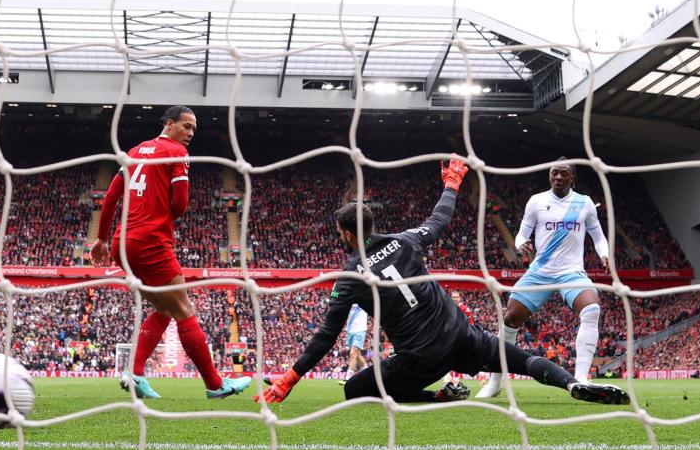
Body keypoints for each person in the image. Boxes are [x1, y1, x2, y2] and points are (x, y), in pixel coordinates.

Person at [257, 157, 628, 406]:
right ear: (371, 226)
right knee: (522, 358)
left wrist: (290, 378)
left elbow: (326, 334)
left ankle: (437, 396)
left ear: (345, 234)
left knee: (355, 389)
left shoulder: (350, 276)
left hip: (420, 358)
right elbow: (440, 219)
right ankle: (571, 383)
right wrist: (451, 183)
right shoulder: (404, 240)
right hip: (461, 336)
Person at [92, 105, 250, 400]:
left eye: (193, 129)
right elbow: (179, 205)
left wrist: (101, 239)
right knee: (184, 310)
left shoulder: (135, 151)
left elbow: (112, 195)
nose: (190, 133)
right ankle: (215, 385)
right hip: (151, 241)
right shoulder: (176, 153)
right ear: (169, 123)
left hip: (121, 242)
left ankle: (135, 373)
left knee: (163, 309)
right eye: (186, 126)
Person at [477, 157, 608, 398]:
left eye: (563, 174)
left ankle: (581, 379)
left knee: (591, 309)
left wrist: (604, 254)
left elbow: (598, 235)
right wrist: (521, 245)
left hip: (571, 271)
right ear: (549, 176)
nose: (557, 177)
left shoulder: (584, 203)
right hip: (540, 272)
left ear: (572, 178)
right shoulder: (536, 201)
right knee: (510, 319)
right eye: (554, 173)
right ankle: (495, 383)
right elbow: (521, 234)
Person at [338, 304, 368, 386]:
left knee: (353, 353)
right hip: (350, 331)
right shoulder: (349, 297)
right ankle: (368, 375)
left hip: (360, 330)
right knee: (357, 355)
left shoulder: (365, 296)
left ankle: (348, 378)